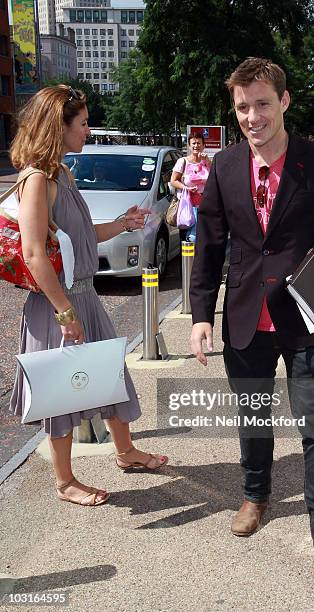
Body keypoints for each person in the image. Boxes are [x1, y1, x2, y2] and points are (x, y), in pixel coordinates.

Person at [189, 57, 314, 586]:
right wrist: (202, 313)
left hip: (308, 320)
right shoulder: (223, 167)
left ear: (284, 102)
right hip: (246, 318)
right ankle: (255, 494)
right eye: (243, 107)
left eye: (263, 103)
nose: (253, 116)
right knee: (252, 418)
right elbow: (209, 248)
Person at [9, 85, 168, 507]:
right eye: (81, 123)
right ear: (56, 126)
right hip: (58, 305)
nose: (88, 128)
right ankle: (65, 482)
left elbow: (81, 238)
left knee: (111, 378)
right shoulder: (37, 179)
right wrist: (65, 313)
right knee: (61, 392)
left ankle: (126, 453)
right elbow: (33, 253)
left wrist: (122, 223)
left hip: (83, 297)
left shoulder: (62, 172)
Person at [170, 132, 211, 242]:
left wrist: (207, 161)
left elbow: (215, 179)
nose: (196, 146)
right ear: (189, 145)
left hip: (204, 206)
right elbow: (173, 181)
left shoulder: (207, 162)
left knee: (203, 237)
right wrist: (186, 188)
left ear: (203, 145)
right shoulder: (183, 161)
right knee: (189, 238)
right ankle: (188, 258)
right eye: (193, 143)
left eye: (199, 143)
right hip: (187, 205)